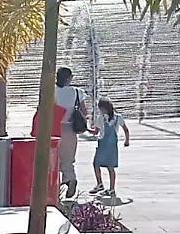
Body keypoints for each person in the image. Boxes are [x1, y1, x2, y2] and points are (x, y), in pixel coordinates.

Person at [54, 67, 90, 197]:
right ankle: (69, 178)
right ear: (69, 78)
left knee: (52, 158)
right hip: (70, 128)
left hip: (54, 128)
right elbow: (85, 112)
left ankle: (54, 185)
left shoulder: (52, 91)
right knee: (68, 158)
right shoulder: (76, 92)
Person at [89, 97, 131, 197]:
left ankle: (100, 184)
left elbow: (96, 132)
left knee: (96, 164)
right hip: (112, 146)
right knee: (110, 167)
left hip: (103, 144)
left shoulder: (101, 118)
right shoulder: (118, 117)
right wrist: (127, 140)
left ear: (103, 108)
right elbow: (126, 129)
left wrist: (86, 129)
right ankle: (111, 189)